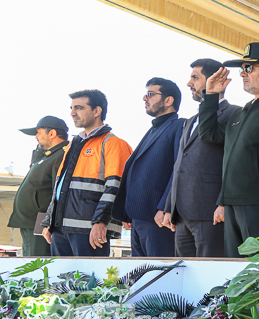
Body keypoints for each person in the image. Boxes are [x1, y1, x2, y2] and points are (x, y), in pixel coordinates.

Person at [199, 42, 259, 257]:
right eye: (242, 68)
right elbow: (209, 133)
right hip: (232, 205)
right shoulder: (241, 113)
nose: (242, 73)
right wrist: (210, 95)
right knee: (237, 269)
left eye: (249, 68)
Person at [163, 59, 240, 257]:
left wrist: (223, 203)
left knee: (209, 270)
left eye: (195, 78)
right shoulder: (190, 121)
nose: (189, 83)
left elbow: (234, 163)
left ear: (215, 79)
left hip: (210, 211)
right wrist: (169, 207)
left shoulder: (235, 113)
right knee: (183, 271)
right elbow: (180, 165)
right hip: (181, 214)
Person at [42, 90, 132, 256]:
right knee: (61, 274)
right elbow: (60, 187)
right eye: (71, 108)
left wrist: (100, 222)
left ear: (97, 111)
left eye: (79, 108)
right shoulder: (73, 144)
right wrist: (50, 222)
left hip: (90, 230)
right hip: (60, 229)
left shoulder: (113, 144)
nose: (72, 113)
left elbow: (115, 187)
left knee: (89, 273)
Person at [113, 78, 184, 257]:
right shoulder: (154, 129)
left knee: (158, 271)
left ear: (169, 100)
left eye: (151, 94)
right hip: (138, 219)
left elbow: (179, 170)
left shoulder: (179, 126)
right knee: (141, 272)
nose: (145, 98)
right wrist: (127, 213)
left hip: (158, 218)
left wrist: (165, 207)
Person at [8, 116, 70, 256]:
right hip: (32, 223)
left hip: (41, 224)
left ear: (52, 134)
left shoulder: (61, 155)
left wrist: (49, 223)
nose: (36, 137)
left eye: (38, 132)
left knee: (37, 264)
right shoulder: (48, 155)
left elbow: (59, 193)